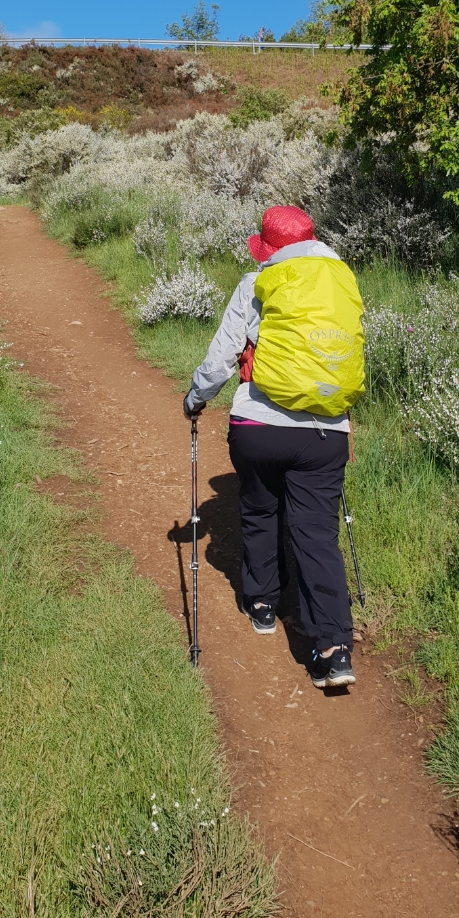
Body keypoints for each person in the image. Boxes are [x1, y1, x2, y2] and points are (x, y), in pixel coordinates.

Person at [182, 204, 365, 690]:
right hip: (327, 432)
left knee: (260, 509)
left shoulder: (254, 283)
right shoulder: (340, 282)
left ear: (268, 246)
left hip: (258, 426)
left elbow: (222, 358)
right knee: (317, 534)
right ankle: (333, 648)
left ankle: (263, 604)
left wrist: (195, 398)